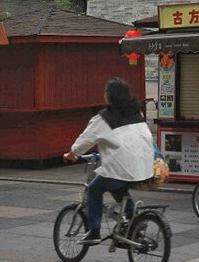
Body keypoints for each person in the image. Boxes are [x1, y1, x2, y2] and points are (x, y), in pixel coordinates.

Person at [63, 78, 155, 244]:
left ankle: (94, 230)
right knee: (118, 187)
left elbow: (86, 139)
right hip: (145, 166)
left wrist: (72, 153)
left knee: (94, 189)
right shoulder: (137, 113)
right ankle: (133, 221)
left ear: (110, 96)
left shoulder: (104, 118)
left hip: (123, 166)